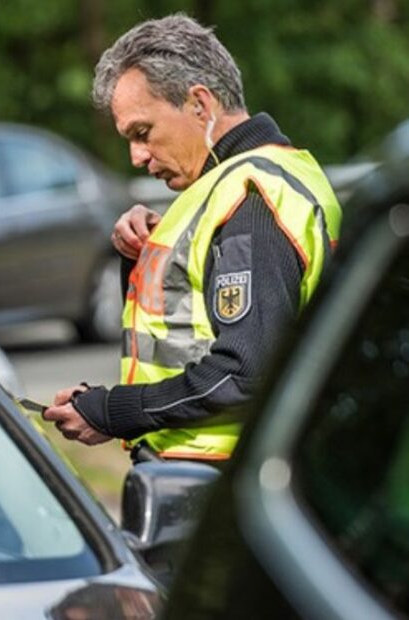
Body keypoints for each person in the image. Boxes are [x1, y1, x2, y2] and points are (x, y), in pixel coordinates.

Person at [43, 14, 342, 464]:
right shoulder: (242, 182)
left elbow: (242, 373)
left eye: (143, 133)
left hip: (221, 482)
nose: (137, 157)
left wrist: (113, 411)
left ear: (200, 104)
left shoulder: (250, 196)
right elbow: (187, 334)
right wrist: (139, 258)